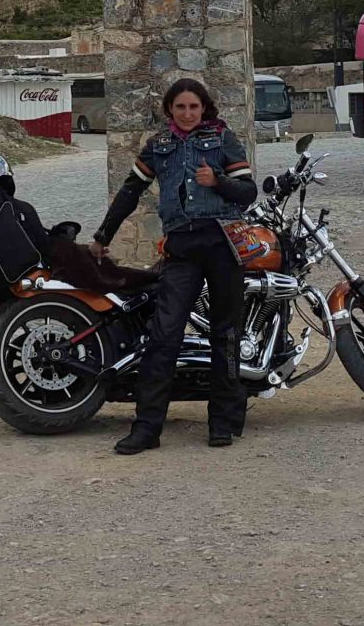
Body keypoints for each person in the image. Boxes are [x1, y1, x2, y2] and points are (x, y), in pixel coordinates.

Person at [91, 78, 257, 453]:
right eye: (180, 107)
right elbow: (129, 193)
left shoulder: (223, 139)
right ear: (169, 110)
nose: (187, 114)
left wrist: (217, 181)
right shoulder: (158, 147)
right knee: (164, 336)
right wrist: (102, 236)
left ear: (204, 109)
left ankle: (223, 422)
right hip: (182, 248)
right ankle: (147, 428)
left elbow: (248, 192)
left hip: (223, 244)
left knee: (225, 334)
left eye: (193, 107)